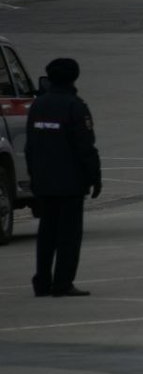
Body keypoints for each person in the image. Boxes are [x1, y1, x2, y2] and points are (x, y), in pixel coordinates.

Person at [26, 58, 102, 297]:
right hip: (70, 182)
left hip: (44, 181)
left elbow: (30, 146)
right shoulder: (75, 106)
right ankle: (62, 282)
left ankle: (42, 281)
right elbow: (85, 147)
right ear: (74, 77)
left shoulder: (38, 105)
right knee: (68, 236)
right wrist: (94, 177)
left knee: (46, 233)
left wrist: (34, 175)